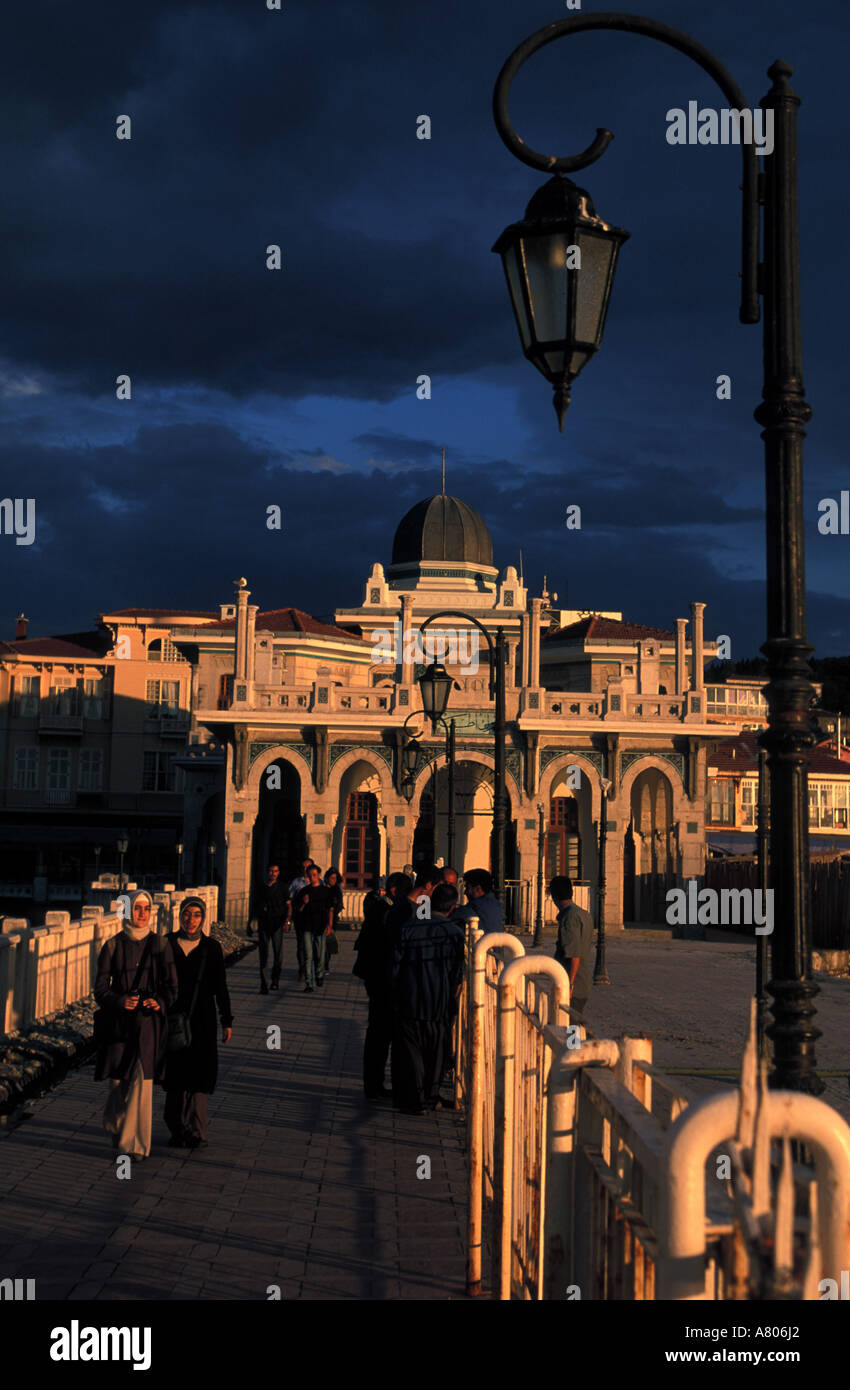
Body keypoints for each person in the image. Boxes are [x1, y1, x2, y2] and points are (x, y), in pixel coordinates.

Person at [94, 889, 178, 1160]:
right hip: (119, 1025)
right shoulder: (113, 945)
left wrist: (159, 1003)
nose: (142, 914)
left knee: (142, 1082)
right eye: (137, 908)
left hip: (148, 1025)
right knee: (119, 1083)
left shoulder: (160, 945)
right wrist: (120, 1001)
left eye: (146, 908)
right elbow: (100, 989)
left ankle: (135, 1146)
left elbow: (172, 987)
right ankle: (116, 1126)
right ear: (128, 911)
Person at [162, 897, 233, 1149]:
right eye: (186, 914)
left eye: (196, 915)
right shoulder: (167, 944)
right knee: (175, 1075)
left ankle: (196, 1129)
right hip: (172, 1018)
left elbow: (220, 987)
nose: (190, 920)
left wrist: (227, 1020)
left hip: (202, 1018)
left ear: (203, 918)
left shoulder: (211, 948)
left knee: (199, 1074)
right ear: (179, 916)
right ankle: (176, 1127)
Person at [391, 880, 465, 1115]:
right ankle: (431, 1096)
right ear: (452, 908)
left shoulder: (410, 926)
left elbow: (395, 965)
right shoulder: (454, 933)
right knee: (436, 1051)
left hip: (410, 998)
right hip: (439, 1002)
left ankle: (415, 1099)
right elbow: (457, 974)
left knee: (412, 1051)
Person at [353, 872, 411, 1099]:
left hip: (377, 976)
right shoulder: (384, 910)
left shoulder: (384, 908)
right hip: (381, 978)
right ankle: (374, 1084)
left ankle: (375, 1083)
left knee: (379, 1031)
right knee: (380, 1031)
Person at [550, 875, 594, 1018]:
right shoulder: (583, 914)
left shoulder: (570, 917)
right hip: (583, 981)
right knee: (572, 1027)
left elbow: (574, 955)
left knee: (570, 1027)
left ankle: (577, 1042)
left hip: (573, 982)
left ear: (553, 895)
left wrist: (569, 984)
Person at [292, 864, 334, 993]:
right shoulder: (304, 891)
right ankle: (309, 983)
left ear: (319, 875)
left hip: (320, 925)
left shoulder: (326, 891)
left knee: (320, 954)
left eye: (314, 875)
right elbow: (298, 910)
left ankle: (319, 974)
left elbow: (330, 909)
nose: (312, 877)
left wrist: (329, 925)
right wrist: (304, 903)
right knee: (308, 956)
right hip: (307, 926)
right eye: (310, 875)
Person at [256, 863, 290, 993]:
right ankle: (264, 983)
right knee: (263, 955)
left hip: (277, 923)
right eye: (270, 871)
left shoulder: (283, 887)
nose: (273, 873)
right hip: (264, 923)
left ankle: (275, 980)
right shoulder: (261, 887)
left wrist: (287, 920)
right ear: (267, 872)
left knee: (278, 954)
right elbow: (256, 904)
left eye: (275, 871)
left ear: (278, 873)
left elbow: (288, 904)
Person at [452, 867, 503, 934]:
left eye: (467, 887)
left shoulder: (474, 907)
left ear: (478, 889)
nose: (465, 892)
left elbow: (453, 916)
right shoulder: (496, 905)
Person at [289, 858, 315, 981]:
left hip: (314, 918)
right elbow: (290, 899)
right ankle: (302, 969)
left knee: (313, 944)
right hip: (300, 917)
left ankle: (312, 968)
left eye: (308, 867)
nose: (305, 870)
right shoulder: (296, 882)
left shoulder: (318, 882)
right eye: (303, 867)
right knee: (301, 945)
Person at [323, 868, 343, 975]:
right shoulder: (322, 888)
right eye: (331, 878)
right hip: (321, 918)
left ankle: (326, 965)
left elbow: (339, 904)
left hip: (332, 919)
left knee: (327, 943)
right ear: (327, 878)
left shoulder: (336, 890)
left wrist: (334, 910)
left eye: (335, 878)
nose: (333, 880)